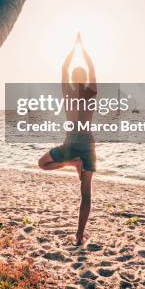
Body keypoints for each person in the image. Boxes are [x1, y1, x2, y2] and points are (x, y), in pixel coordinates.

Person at [38, 33, 97, 245]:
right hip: (88, 143)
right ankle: (79, 235)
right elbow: (91, 69)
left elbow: (64, 68)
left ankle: (71, 163)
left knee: (43, 164)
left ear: (73, 79)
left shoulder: (68, 93)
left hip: (71, 142)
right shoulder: (91, 93)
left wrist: (74, 48)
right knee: (86, 194)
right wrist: (84, 50)